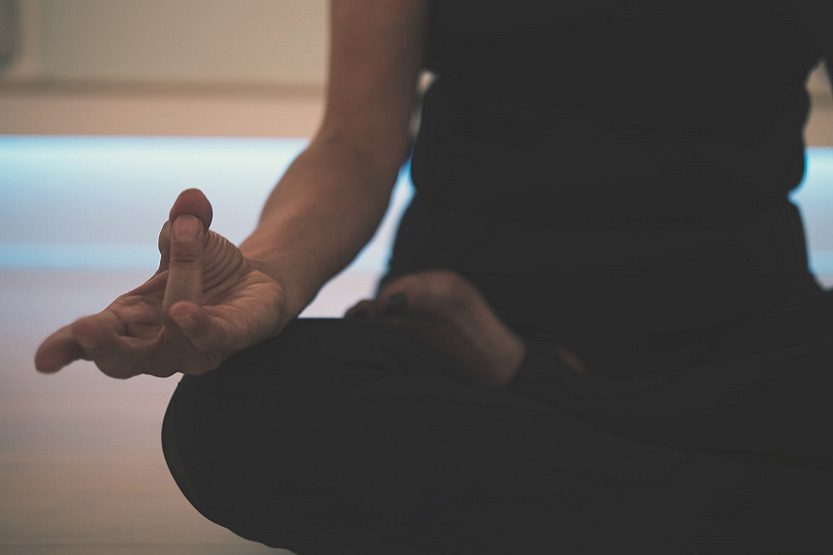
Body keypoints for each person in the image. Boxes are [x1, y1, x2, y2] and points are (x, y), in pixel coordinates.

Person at [34, 1, 833, 553]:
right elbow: (353, 143)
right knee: (234, 418)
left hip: (738, 339)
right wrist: (270, 275)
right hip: (455, 336)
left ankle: (547, 419)